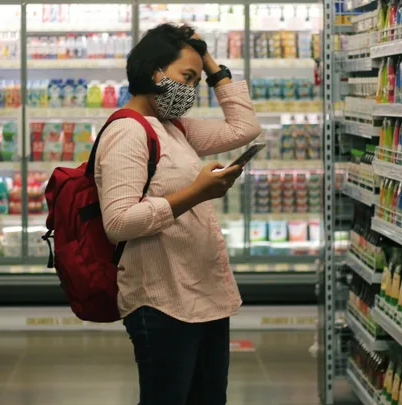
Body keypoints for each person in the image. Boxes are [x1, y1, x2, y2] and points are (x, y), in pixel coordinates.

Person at [94, 23, 262, 405]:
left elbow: (245, 126)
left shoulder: (175, 128)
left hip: (203, 295)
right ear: (155, 72)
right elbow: (118, 223)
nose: (190, 90)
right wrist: (196, 193)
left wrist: (208, 62)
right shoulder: (128, 131)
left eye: (197, 82)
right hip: (162, 301)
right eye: (186, 77)